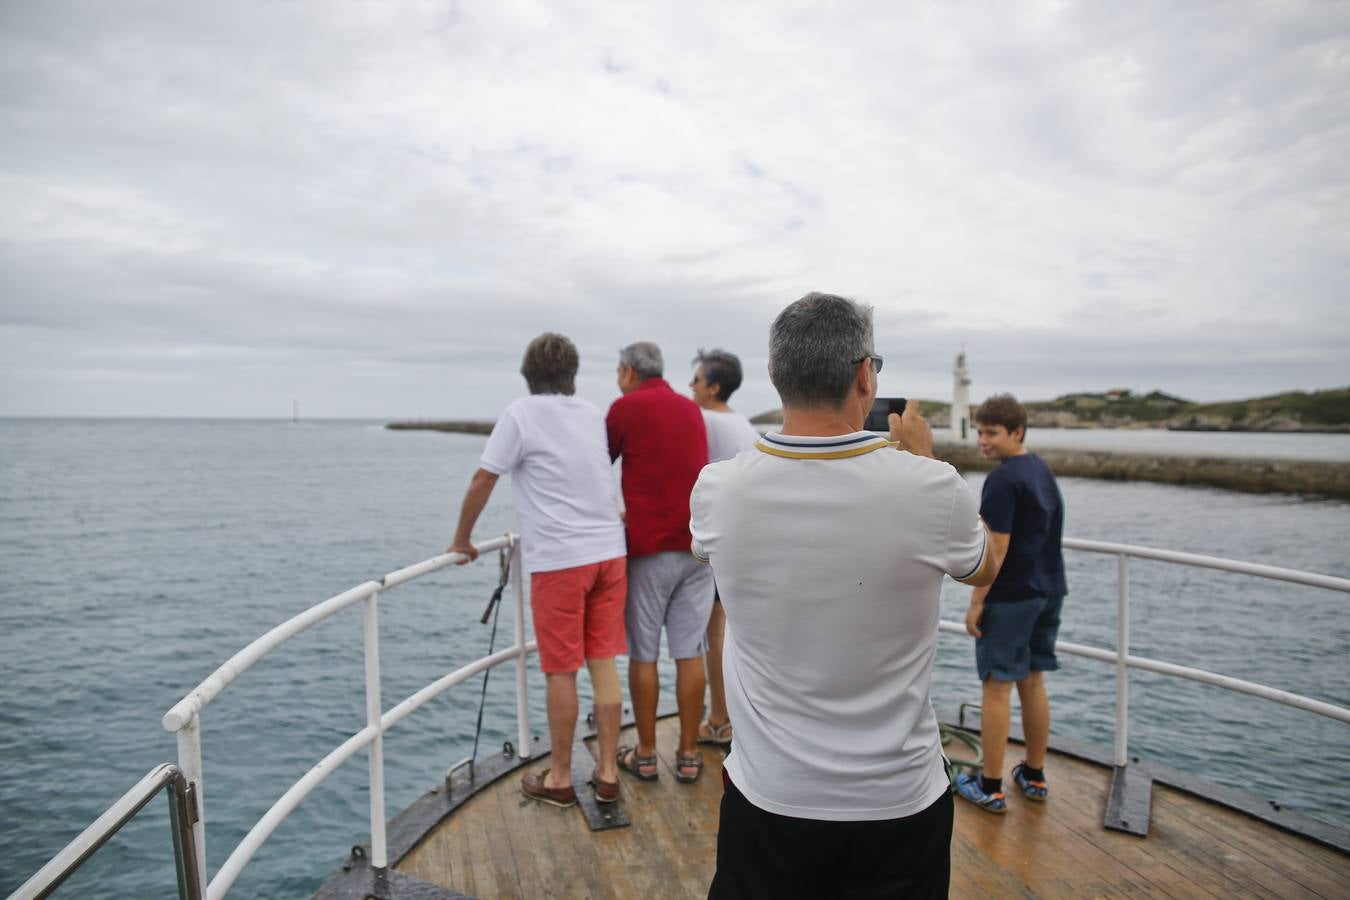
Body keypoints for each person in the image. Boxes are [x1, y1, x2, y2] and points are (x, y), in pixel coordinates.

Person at [689, 293, 999, 898]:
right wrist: (925, 460)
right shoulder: (932, 488)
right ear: (865, 374)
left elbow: (710, 550)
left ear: (777, 376)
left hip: (770, 796)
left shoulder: (718, 490)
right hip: (898, 801)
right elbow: (982, 568)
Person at [448, 333, 627, 808]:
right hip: (609, 551)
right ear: (572, 374)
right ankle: (608, 773)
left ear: (528, 374)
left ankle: (561, 779)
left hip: (561, 560)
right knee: (604, 661)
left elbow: (484, 478)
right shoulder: (591, 413)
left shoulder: (520, 415)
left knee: (561, 670)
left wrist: (462, 539)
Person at [955, 393, 1067, 814]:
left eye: (991, 433)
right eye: (980, 432)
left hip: (1012, 596)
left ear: (1016, 432)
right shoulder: (1040, 469)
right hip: (1048, 589)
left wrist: (975, 602)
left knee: (997, 690)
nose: (982, 441)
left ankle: (991, 785)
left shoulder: (1002, 480)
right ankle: (1034, 775)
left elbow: (995, 550)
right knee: (1034, 682)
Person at [606, 341, 712, 784]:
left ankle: (646, 754)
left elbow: (598, 467)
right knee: (690, 651)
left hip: (649, 549)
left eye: (618, 370)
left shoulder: (624, 409)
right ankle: (688, 754)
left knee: (645, 653)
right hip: (696, 547)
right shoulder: (690, 410)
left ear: (630, 372)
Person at [688, 348, 759, 748]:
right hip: (743, 537)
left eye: (696, 380)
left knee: (714, 633)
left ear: (713, 387)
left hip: (712, 541)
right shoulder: (744, 425)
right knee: (729, 631)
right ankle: (729, 713)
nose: (691, 387)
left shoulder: (702, 419)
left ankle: (719, 718)